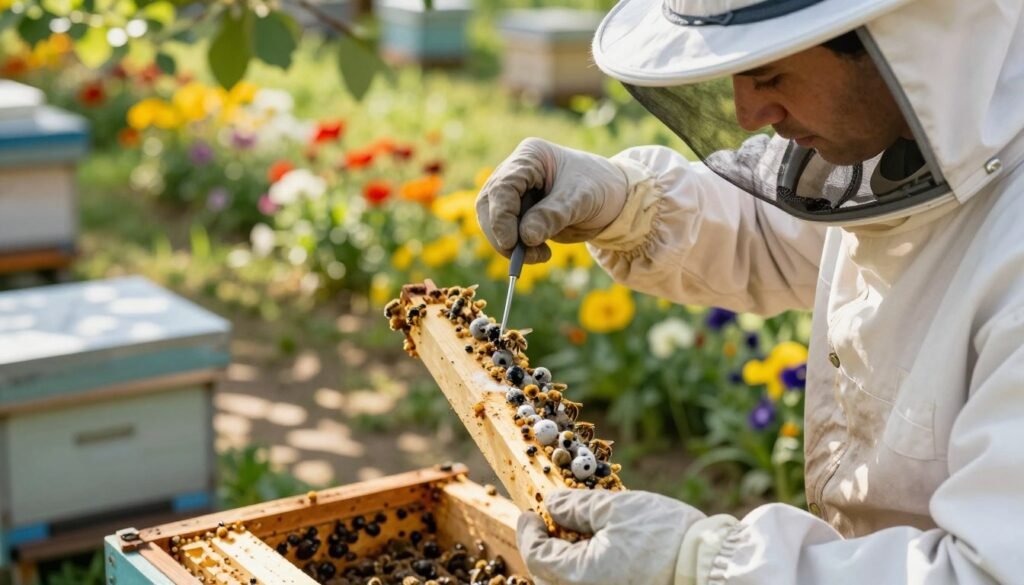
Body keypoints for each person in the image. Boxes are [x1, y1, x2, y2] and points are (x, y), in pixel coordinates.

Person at [474, 0, 1024, 583]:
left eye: (770, 75)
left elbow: (989, 572)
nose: (747, 113)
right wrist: (625, 204)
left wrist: (705, 567)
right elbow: (787, 236)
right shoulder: (915, 141)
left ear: (905, 43)